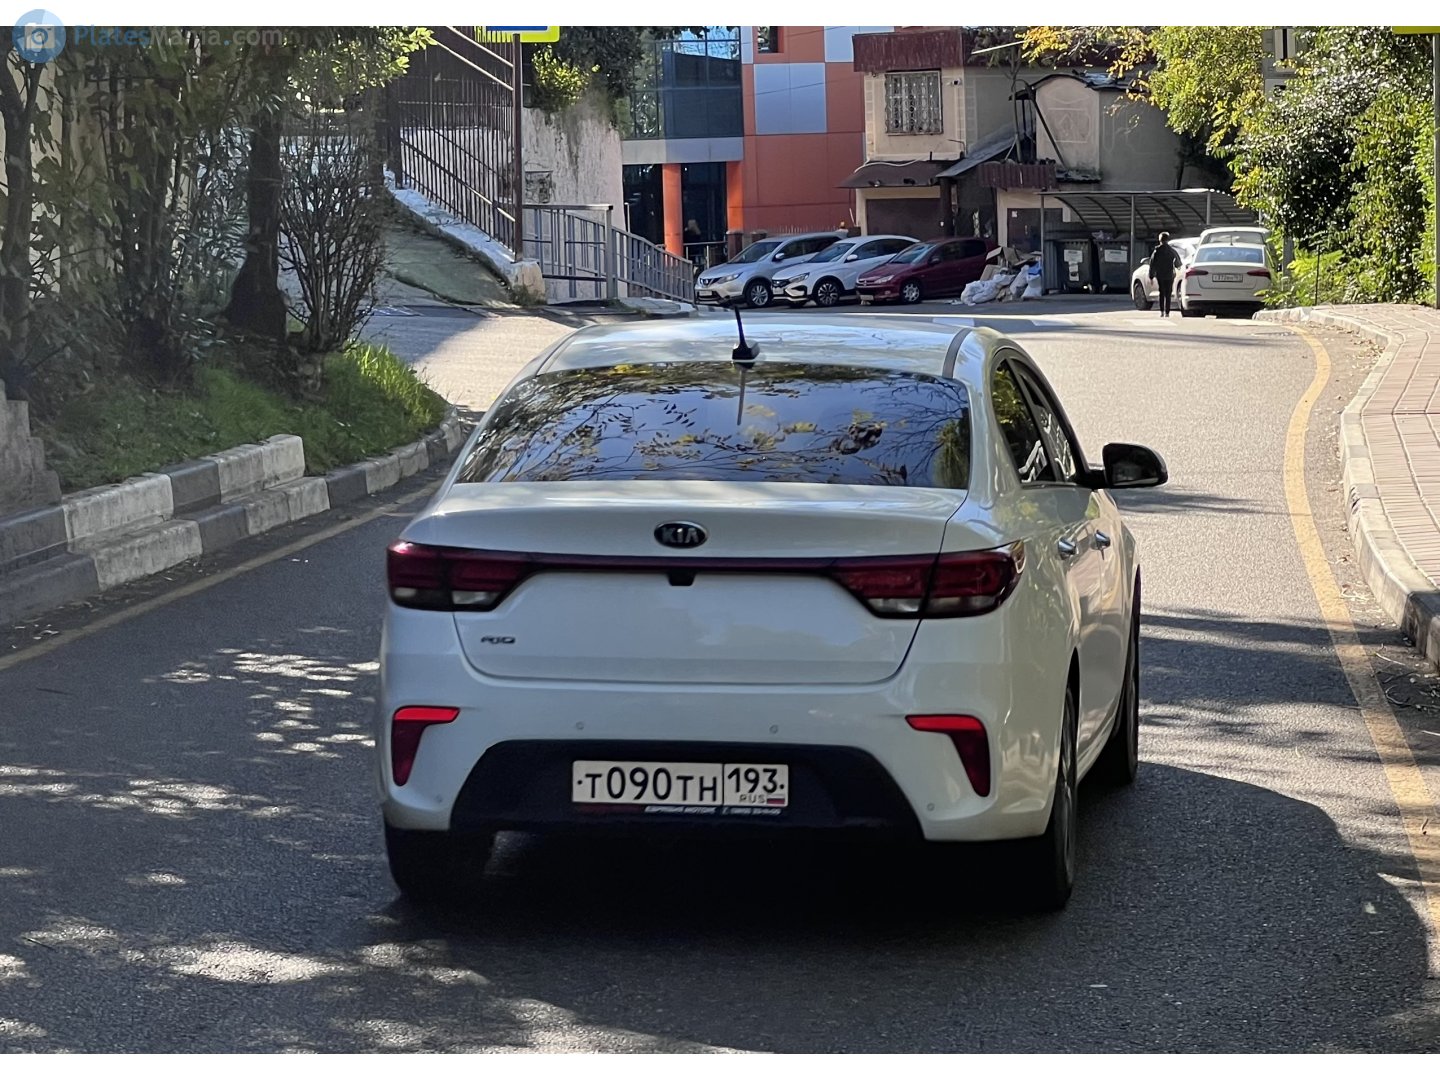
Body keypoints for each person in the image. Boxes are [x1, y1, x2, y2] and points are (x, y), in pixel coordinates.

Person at [1147, 232, 1182, 316]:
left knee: (1162, 293)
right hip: (1170, 275)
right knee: (1168, 293)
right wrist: (1177, 267)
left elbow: (1152, 264)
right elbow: (1178, 263)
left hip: (1160, 275)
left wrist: (1151, 276)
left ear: (1160, 240)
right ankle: (1167, 312)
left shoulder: (1156, 251)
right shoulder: (1171, 250)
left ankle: (1162, 311)